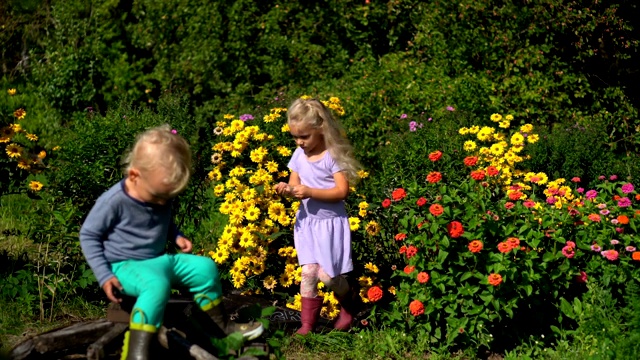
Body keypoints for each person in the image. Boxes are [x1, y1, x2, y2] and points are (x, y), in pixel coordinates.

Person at [79, 125, 263, 359]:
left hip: (158, 260)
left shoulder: (157, 193)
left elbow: (160, 219)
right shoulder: (113, 202)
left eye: (166, 197)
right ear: (134, 175)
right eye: (158, 196)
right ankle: (136, 352)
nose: (162, 201)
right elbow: (89, 235)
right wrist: (105, 276)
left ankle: (220, 329)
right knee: (157, 286)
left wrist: (175, 236)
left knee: (205, 268)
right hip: (124, 266)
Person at [274, 98, 362, 335]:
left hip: (330, 224)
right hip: (308, 223)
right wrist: (287, 189)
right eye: (295, 137)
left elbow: (342, 192)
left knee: (329, 276)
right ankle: (307, 325)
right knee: (309, 272)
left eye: (304, 136)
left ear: (320, 129)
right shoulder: (299, 155)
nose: (299, 142)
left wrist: (310, 192)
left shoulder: (331, 155)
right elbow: (295, 185)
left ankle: (349, 302)